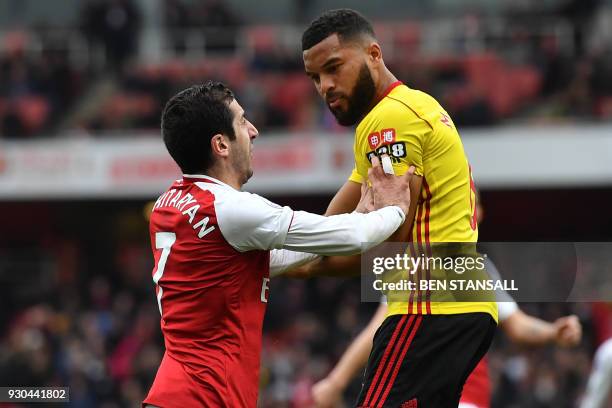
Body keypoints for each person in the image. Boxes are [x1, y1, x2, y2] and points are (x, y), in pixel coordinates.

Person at [142, 81, 415, 407]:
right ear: (221, 145)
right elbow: (350, 238)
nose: (254, 131)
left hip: (176, 393)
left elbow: (262, 262)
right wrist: (396, 210)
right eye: (242, 122)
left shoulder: (168, 203)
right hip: (202, 398)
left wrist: (358, 215)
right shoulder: (231, 209)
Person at [301, 9, 497, 407]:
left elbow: (386, 243)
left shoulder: (388, 121)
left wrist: (287, 265)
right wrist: (299, 251)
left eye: (334, 68)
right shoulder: (405, 108)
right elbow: (337, 216)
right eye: (316, 77)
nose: (325, 86)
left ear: (374, 53)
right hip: (461, 303)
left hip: (428, 305)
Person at [310, 193, 583, 408]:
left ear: (478, 214)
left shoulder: (478, 269)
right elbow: (378, 329)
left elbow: (516, 325)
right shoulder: (414, 263)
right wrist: (335, 382)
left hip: (464, 396)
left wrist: (553, 332)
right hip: (419, 391)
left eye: (468, 202)